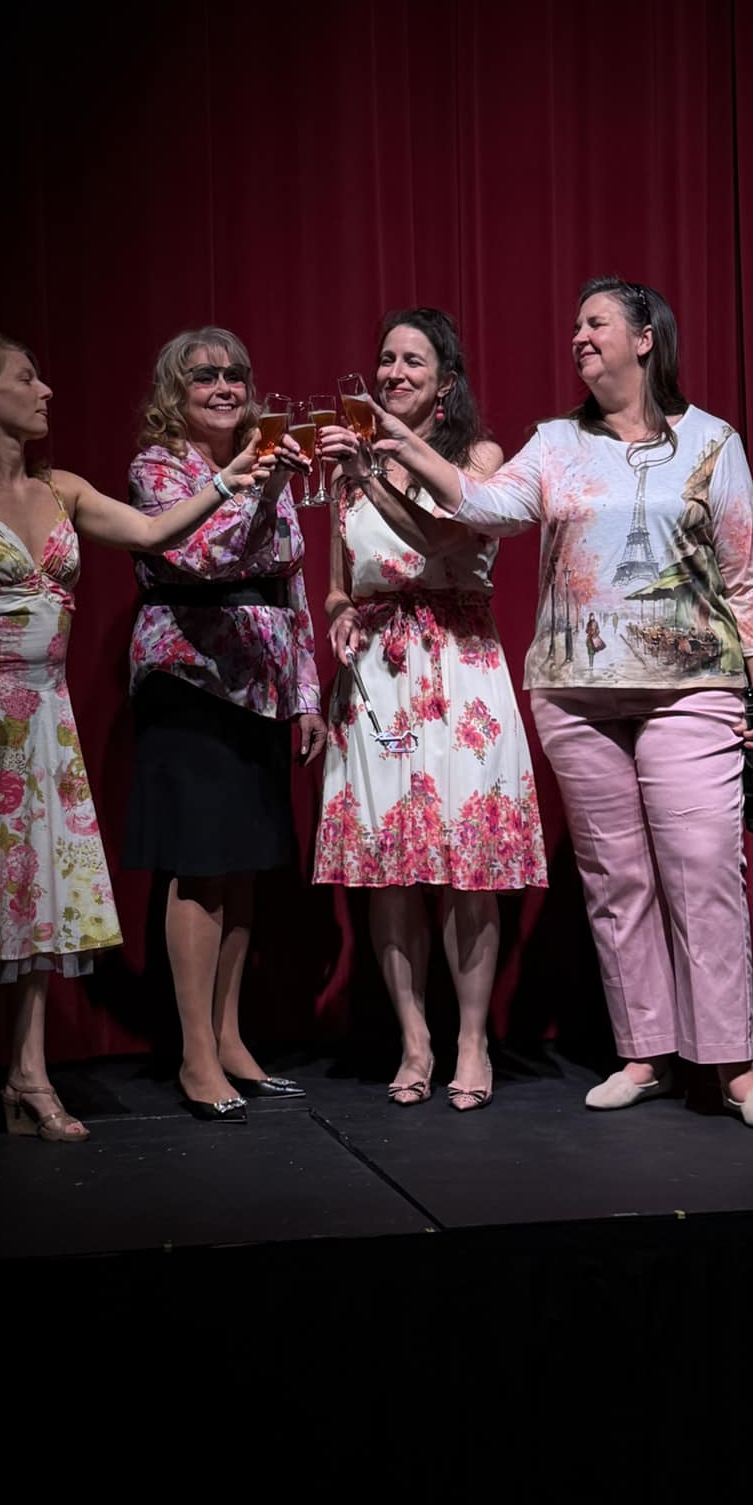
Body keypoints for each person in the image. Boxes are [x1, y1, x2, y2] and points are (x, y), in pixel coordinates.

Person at [367, 278, 753, 1131]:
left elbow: (747, 570)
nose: (579, 337)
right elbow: (488, 507)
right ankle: (645, 1054)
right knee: (615, 877)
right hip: (575, 695)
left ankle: (733, 1066)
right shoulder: (556, 443)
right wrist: (405, 448)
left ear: (645, 338)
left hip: (692, 690)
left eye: (596, 323)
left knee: (704, 867)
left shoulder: (712, 441)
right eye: (574, 326)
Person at [0, 332, 263, 1153]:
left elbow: (151, 534)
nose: (46, 390)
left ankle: (28, 1078)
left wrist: (227, 481)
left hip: (43, 717)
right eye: (27, 378)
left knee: (37, 894)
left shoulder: (62, 489)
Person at [314, 308, 545, 1110]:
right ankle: (414, 1040)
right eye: (386, 359)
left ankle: (472, 1041)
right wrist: (339, 614)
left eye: (413, 361)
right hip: (380, 676)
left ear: (445, 381)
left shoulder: (477, 457)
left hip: (459, 665)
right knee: (390, 870)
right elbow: (340, 583)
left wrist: (374, 474)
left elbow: (446, 542)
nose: (394, 373)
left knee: (466, 867)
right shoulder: (346, 465)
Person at [124, 328, 325, 1123]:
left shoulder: (264, 457)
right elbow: (202, 556)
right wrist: (258, 490)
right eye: (203, 376)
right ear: (174, 392)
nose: (223, 387)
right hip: (190, 680)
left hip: (260, 684)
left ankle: (231, 1036)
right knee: (200, 866)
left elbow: (290, 579)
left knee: (242, 866)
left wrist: (306, 693)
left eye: (234, 374)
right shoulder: (156, 469)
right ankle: (195, 1054)